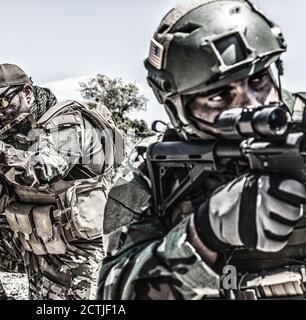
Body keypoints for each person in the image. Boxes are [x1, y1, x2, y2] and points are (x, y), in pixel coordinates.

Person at [98, 0, 306, 300]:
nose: (252, 104)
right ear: (177, 107)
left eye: (259, 79)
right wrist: (203, 235)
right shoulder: (150, 175)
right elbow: (113, 297)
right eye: (220, 95)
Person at [0, 63, 124, 300]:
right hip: (31, 235)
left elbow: (45, 169)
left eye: (3, 102)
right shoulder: (11, 134)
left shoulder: (67, 121)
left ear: (27, 92)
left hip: (75, 247)